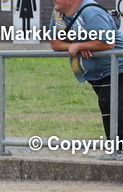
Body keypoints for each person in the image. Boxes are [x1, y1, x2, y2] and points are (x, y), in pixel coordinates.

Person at [50, 0, 123, 149]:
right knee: (109, 107)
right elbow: (55, 43)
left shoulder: (90, 12)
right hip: (98, 75)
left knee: (111, 107)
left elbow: (108, 42)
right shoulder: (58, 15)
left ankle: (117, 153)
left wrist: (80, 45)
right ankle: (116, 152)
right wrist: (73, 45)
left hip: (118, 68)